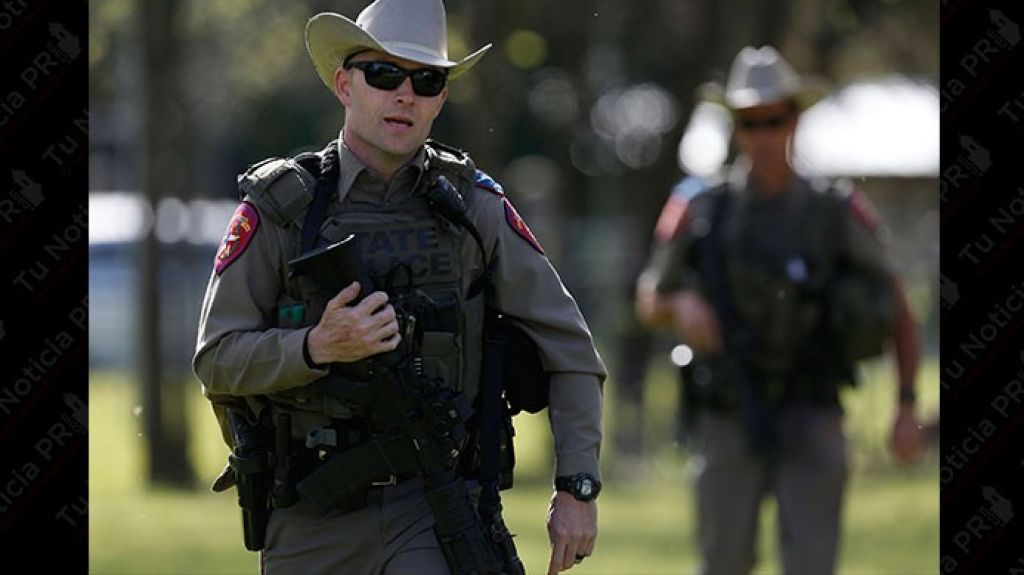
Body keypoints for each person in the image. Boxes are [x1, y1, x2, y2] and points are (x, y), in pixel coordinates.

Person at [192, 1, 606, 573]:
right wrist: (316, 347)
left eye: (426, 80)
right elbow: (216, 358)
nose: (405, 94)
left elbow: (572, 350)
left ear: (440, 98)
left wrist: (577, 487)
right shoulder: (282, 209)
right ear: (344, 84)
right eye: (384, 74)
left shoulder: (474, 208)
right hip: (312, 514)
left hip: (433, 508)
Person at [635, 45, 924, 575]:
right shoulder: (699, 204)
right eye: (751, 122)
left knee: (811, 565)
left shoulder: (835, 210)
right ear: (736, 129)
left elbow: (898, 304)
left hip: (812, 410)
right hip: (728, 410)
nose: (764, 134)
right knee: (723, 562)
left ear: (795, 121)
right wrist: (682, 304)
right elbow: (649, 296)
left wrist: (906, 405)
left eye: (776, 119)